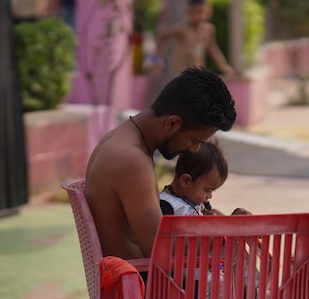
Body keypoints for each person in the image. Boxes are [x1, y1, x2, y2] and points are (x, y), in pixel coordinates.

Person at [84, 67, 237, 262]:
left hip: (131, 279)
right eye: (195, 141)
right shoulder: (132, 160)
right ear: (172, 123)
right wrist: (227, 231)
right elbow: (160, 249)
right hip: (142, 284)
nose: (194, 150)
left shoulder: (114, 139)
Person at [155, 0, 237, 82]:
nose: (199, 16)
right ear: (188, 12)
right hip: (180, 75)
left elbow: (213, 49)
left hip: (197, 73)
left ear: (208, 12)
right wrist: (155, 61)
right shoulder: (181, 29)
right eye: (196, 12)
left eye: (202, 12)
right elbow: (163, 38)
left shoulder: (208, 29)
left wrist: (224, 66)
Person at [159, 138, 250, 216]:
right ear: (186, 181)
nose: (210, 196)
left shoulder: (199, 202)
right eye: (207, 190)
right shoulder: (166, 205)